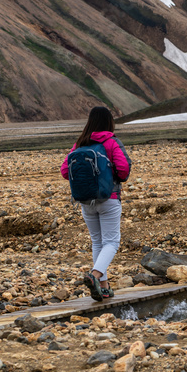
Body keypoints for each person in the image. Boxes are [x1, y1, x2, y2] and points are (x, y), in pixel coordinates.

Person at [60, 106, 131, 302]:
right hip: (109, 198)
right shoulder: (111, 142)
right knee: (111, 242)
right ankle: (96, 275)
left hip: (85, 200)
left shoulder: (79, 144)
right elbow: (124, 170)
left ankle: (104, 287)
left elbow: (65, 171)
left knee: (97, 242)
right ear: (109, 122)